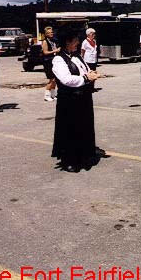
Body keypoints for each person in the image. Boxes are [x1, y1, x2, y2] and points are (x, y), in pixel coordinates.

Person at [51, 27, 100, 172]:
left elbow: (84, 70)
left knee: (83, 127)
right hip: (69, 101)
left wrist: (90, 73)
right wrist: (86, 78)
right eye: (76, 40)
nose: (78, 42)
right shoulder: (58, 59)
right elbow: (66, 79)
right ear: (67, 42)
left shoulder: (77, 56)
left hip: (83, 98)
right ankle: (69, 160)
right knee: (70, 129)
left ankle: (83, 155)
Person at [42, 26, 60, 101]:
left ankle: (53, 94)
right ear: (46, 34)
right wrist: (55, 51)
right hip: (48, 61)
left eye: (51, 32)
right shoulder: (45, 41)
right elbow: (45, 52)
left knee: (55, 79)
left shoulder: (53, 40)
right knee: (51, 79)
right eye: (49, 33)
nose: (51, 34)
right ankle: (46, 95)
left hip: (54, 60)